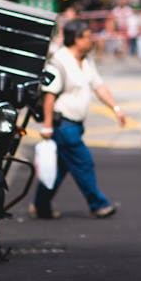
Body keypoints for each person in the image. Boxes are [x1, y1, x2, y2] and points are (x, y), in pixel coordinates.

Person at [30, 19, 128, 220]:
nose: (92, 41)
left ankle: (40, 205)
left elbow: (99, 87)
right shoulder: (59, 61)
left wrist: (115, 108)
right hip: (63, 124)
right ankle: (98, 204)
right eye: (88, 37)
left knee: (58, 169)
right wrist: (47, 125)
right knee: (83, 162)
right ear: (76, 39)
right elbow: (49, 96)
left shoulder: (86, 61)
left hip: (76, 124)